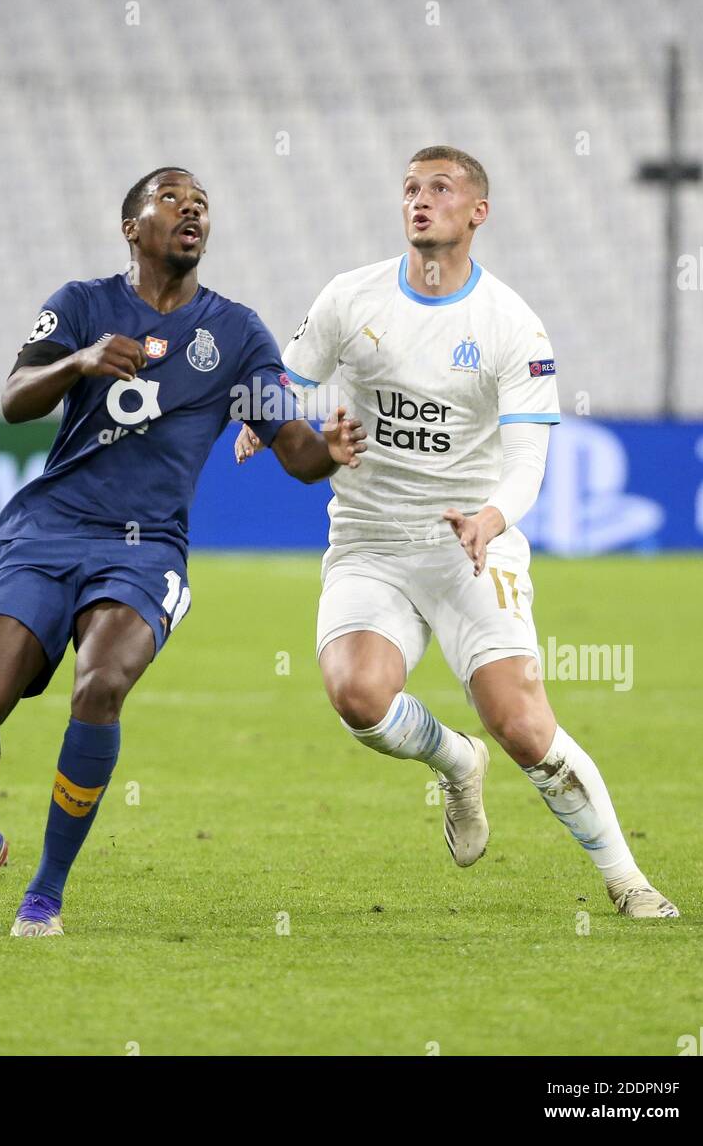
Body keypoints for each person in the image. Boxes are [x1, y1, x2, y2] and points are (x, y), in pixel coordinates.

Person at [236, 145, 678, 919]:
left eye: (439, 189)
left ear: (477, 212)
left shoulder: (510, 323)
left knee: (519, 723)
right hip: (369, 540)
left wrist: (489, 518)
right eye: (409, 187)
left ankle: (625, 879)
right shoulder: (350, 297)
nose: (419, 200)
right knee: (358, 697)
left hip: (471, 544)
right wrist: (264, 424)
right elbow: (287, 381)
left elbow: (528, 457)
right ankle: (453, 761)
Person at [0, 167, 366, 937]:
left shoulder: (236, 334)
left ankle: (46, 893)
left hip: (144, 551)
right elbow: (14, 399)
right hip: (45, 532)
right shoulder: (80, 304)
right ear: (132, 226)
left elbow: (293, 451)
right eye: (172, 198)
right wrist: (79, 361)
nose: (191, 209)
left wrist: (326, 450)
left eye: (201, 204)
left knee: (99, 686)